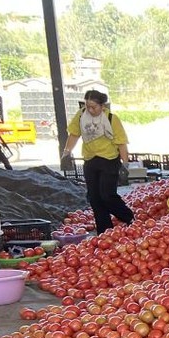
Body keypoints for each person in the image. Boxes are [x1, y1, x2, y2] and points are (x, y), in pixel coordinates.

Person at [60, 90, 135, 234]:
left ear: (102, 106)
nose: (90, 110)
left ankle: (129, 218)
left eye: (93, 107)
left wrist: (125, 165)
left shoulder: (112, 118)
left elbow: (122, 143)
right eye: (87, 106)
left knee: (107, 195)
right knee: (94, 198)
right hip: (90, 160)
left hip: (109, 160)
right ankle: (105, 231)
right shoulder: (81, 116)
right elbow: (74, 134)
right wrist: (66, 152)